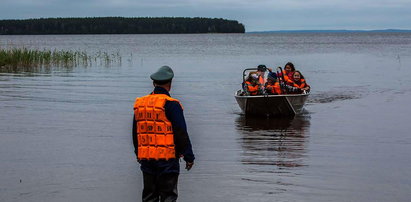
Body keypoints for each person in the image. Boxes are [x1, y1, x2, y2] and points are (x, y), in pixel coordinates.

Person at [133, 65, 195, 202]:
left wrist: (138, 153)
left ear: (153, 83)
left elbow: (136, 132)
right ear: (170, 84)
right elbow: (180, 132)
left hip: (147, 159)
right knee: (168, 196)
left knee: (149, 197)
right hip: (167, 158)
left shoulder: (141, 104)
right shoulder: (172, 104)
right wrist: (189, 156)